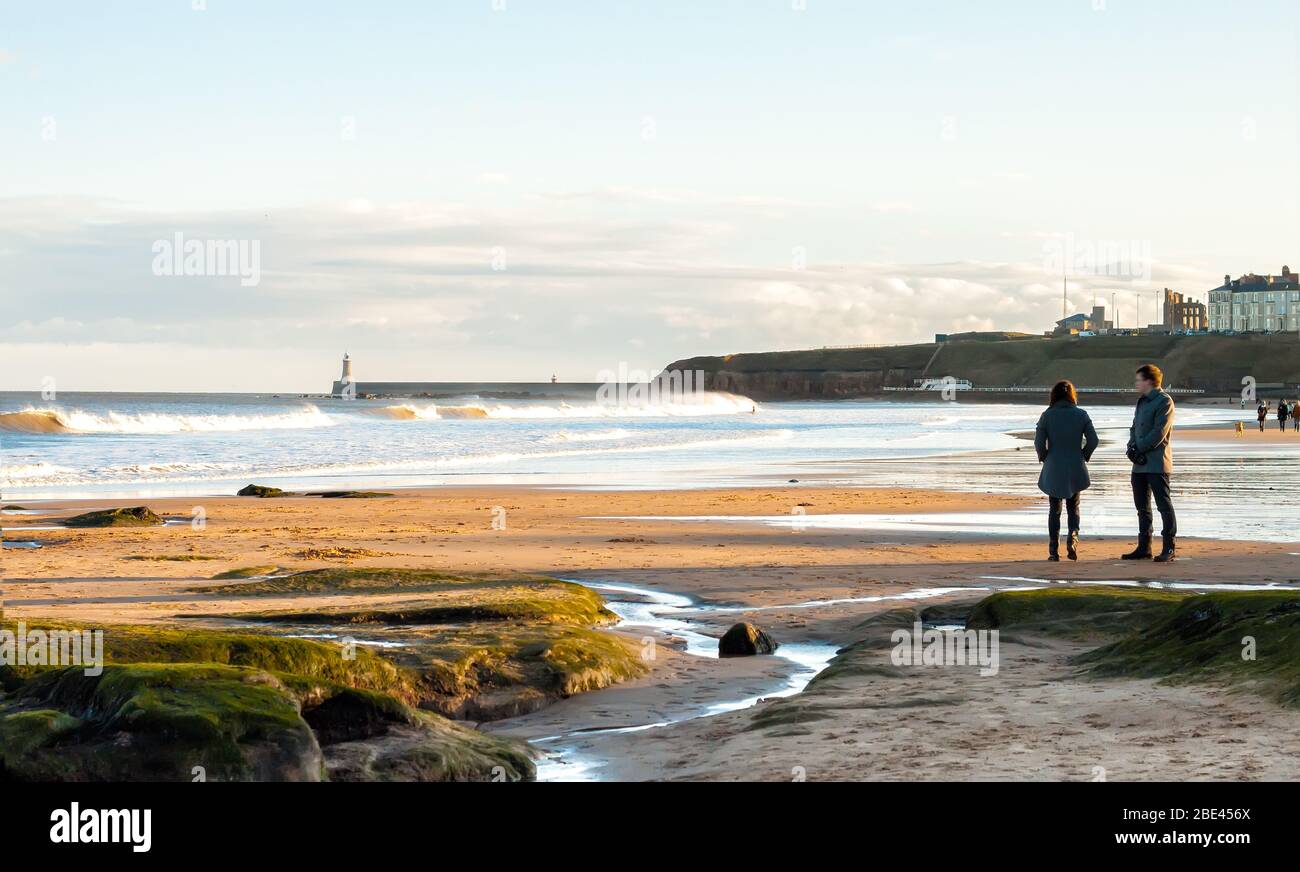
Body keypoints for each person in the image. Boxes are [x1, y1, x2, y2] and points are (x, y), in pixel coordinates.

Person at [1034, 380, 1098, 562]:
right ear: (1072, 396)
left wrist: (1045, 457)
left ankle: (1054, 550)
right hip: (1075, 464)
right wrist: (1084, 455)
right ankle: (1073, 538)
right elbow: (1093, 440)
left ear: (1053, 395)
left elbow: (1038, 442)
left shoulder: (1047, 415)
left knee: (1054, 509)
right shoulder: (1082, 414)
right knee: (1074, 506)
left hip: (1054, 465)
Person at [1124, 363, 1177, 562]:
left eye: (1138, 380)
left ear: (1148, 381)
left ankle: (1169, 547)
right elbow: (1134, 427)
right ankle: (1144, 546)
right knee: (1142, 506)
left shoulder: (1164, 401)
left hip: (1157, 462)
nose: (1136, 384)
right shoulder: (1142, 402)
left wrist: (1140, 447)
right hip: (1139, 464)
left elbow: (1159, 432)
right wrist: (1131, 447)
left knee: (1163, 505)